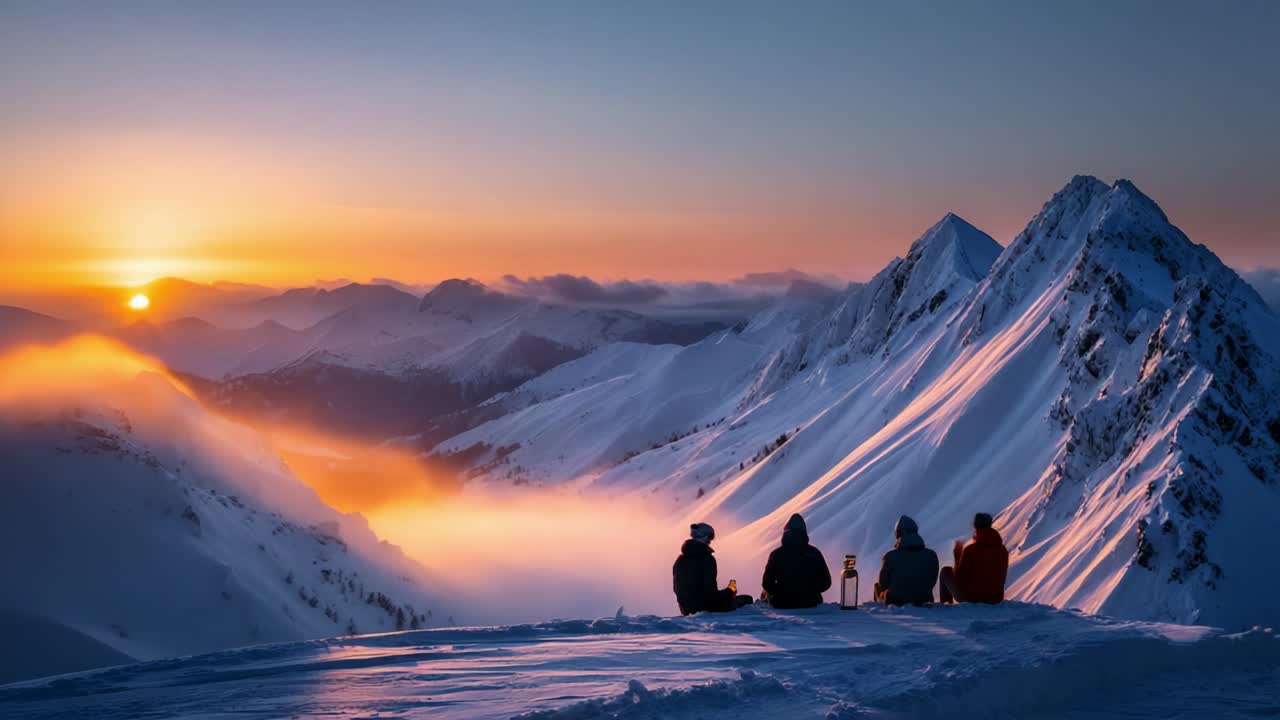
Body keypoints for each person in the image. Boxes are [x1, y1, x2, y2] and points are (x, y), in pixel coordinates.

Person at [672, 523, 754, 615]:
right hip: (706, 609)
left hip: (687, 610)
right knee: (747, 599)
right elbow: (710, 595)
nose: (710, 540)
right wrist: (730, 591)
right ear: (704, 537)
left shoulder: (680, 560)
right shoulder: (706, 559)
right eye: (710, 536)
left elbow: (679, 589)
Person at [760, 513, 831, 609]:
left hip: (782, 602)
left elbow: (767, 583)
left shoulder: (777, 554)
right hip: (811, 602)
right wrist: (811, 591)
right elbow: (826, 582)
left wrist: (780, 592)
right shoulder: (814, 553)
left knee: (764, 594)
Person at [938, 512, 1009, 604]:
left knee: (946, 571)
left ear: (975, 526)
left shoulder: (971, 550)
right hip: (995, 598)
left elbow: (960, 578)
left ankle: (946, 606)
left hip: (972, 597)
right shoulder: (1002, 550)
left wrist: (957, 558)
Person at [873, 515, 939, 606]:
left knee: (877, 587)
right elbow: (932, 581)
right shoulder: (932, 555)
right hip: (924, 599)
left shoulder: (890, 556)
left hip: (895, 601)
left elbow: (883, 584)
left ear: (901, 533)